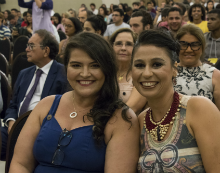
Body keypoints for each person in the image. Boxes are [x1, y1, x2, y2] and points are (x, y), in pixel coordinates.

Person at [9, 31, 139, 173]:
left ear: (107, 69)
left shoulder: (122, 118)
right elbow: (20, 164)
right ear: (66, 68)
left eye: (95, 65)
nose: (84, 73)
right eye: (76, 65)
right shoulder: (46, 105)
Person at [132, 29, 220, 172]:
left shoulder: (200, 109)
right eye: (139, 65)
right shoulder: (140, 121)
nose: (147, 73)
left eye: (157, 64)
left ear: (175, 69)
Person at [1, 30, 68, 160]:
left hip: (41, 131)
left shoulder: (63, 74)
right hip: (14, 127)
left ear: (46, 51)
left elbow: (63, 112)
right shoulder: (24, 73)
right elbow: (13, 105)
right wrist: (11, 122)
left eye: (31, 45)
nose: (26, 49)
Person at [175, 24, 220, 125]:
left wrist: (204, 127)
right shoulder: (167, 72)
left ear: (202, 47)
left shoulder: (215, 75)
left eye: (194, 45)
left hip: (205, 132)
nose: (189, 50)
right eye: (183, 44)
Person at [109, 28, 147, 114]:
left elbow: (132, 108)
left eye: (129, 44)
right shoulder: (106, 72)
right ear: (111, 46)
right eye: (118, 44)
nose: (123, 48)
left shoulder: (142, 74)